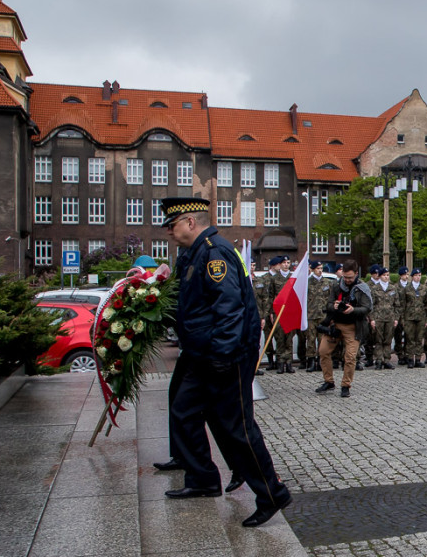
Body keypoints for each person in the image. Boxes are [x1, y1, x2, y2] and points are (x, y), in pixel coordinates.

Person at [158, 197, 292, 527]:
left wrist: (221, 355)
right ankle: (202, 477)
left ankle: (273, 493)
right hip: (203, 354)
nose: (170, 234)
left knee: (237, 428)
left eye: (173, 226)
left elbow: (229, 309)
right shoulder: (193, 253)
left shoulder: (214, 253)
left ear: (190, 222)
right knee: (184, 410)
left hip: (225, 357)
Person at [315, 258, 372, 397]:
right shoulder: (336, 286)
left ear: (356, 274)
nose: (347, 280)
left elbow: (367, 308)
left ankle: (346, 385)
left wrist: (353, 309)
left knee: (350, 357)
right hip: (336, 324)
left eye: (350, 277)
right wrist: (333, 306)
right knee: (323, 351)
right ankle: (329, 381)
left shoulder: (362, 288)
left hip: (353, 326)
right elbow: (327, 305)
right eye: (345, 277)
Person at [368, 263, 399, 369]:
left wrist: (396, 318)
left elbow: (397, 305)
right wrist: (372, 319)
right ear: (380, 276)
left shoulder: (392, 288)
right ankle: (378, 360)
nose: (386, 277)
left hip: (390, 317)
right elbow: (371, 305)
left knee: (388, 340)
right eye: (384, 275)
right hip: (378, 318)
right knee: (378, 340)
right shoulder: (375, 288)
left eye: (388, 275)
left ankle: (386, 359)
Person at [305, 260, 333, 372]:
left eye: (321, 268)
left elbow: (330, 299)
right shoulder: (307, 283)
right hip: (311, 315)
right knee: (311, 339)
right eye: (317, 268)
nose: (320, 271)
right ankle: (311, 361)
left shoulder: (327, 282)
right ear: (312, 269)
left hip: (323, 315)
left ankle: (321, 361)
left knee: (322, 340)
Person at [400, 268, 427, 368]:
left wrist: (426, 319)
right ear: (412, 277)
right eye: (416, 275)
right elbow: (402, 304)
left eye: (419, 275)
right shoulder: (407, 288)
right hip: (409, 317)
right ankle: (410, 359)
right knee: (410, 339)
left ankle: (418, 359)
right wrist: (402, 319)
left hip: (421, 317)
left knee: (419, 339)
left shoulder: (424, 288)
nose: (418, 277)